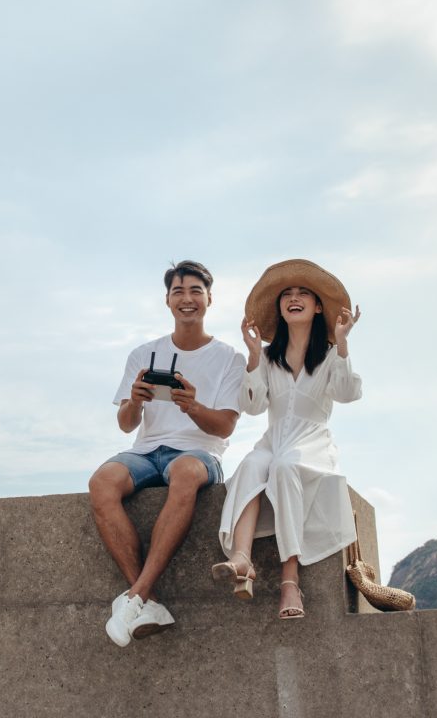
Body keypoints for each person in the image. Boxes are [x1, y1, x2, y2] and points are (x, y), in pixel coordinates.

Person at [88, 260, 246, 647]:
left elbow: (225, 426)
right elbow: (126, 424)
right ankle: (149, 600)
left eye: (195, 291)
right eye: (178, 292)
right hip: (146, 451)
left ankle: (135, 596)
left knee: (186, 472)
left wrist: (192, 406)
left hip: (199, 453)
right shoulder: (144, 354)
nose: (187, 299)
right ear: (167, 300)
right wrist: (136, 401)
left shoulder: (230, 358)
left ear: (210, 299)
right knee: (101, 482)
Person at [213, 259, 362, 620]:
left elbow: (347, 393)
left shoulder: (330, 356)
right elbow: (254, 406)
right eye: (287, 294)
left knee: (284, 466)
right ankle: (242, 559)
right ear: (279, 307)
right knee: (252, 464)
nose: (294, 298)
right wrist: (252, 358)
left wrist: (342, 345)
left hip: (312, 442)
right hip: (273, 438)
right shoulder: (267, 357)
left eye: (303, 293)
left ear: (318, 306)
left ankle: (290, 580)